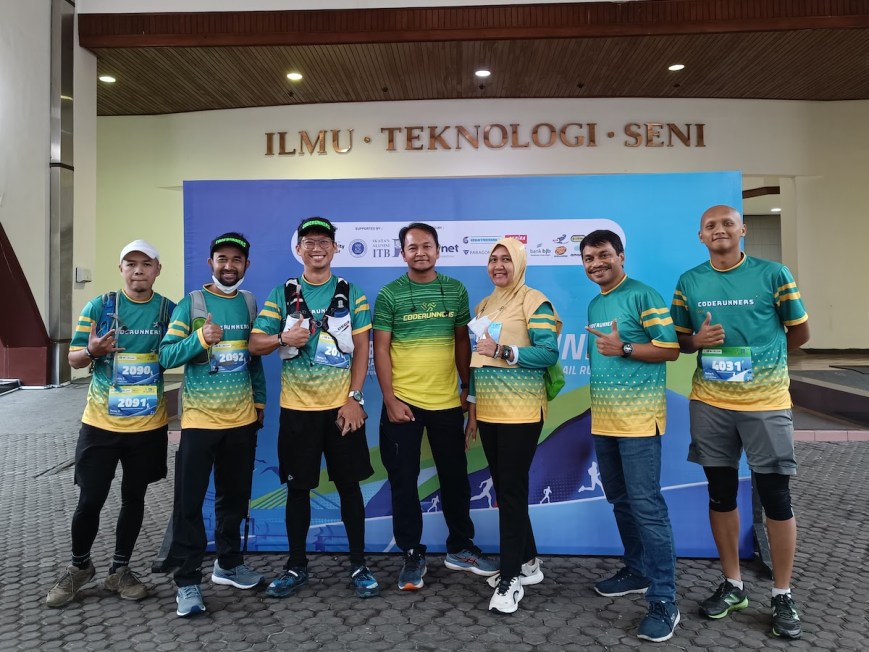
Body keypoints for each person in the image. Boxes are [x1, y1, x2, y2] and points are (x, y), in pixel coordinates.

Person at [670, 205, 809, 640]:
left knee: (776, 496)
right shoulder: (689, 281)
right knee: (720, 493)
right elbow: (680, 340)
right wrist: (698, 340)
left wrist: (765, 359)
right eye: (710, 225)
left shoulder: (773, 274)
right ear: (701, 236)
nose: (719, 230)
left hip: (765, 401)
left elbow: (800, 332)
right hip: (710, 402)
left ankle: (782, 594)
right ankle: (733, 585)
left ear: (742, 229)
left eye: (727, 223)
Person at [248, 217, 379, 599]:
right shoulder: (283, 293)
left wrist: (354, 399)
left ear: (335, 248)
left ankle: (359, 564)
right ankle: (296, 565)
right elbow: (255, 344)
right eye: (309, 241)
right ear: (299, 249)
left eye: (324, 241)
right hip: (297, 411)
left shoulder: (352, 294)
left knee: (349, 487)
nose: (316, 248)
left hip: (342, 410)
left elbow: (363, 350)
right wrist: (282, 337)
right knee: (298, 489)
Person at [46, 240, 174, 608]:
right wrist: (92, 351)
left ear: (157, 270)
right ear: (121, 269)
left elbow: (178, 352)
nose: (138, 271)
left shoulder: (168, 310)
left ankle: (120, 570)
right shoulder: (100, 307)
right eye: (131, 264)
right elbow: (73, 359)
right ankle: (79, 566)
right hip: (101, 424)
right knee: (90, 499)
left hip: (147, 426)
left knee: (134, 498)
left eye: (146, 264)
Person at [373, 222, 497, 591]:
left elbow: (462, 343)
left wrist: (467, 388)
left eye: (427, 246)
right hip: (403, 403)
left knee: (455, 478)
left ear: (438, 250)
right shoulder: (389, 294)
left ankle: (460, 547)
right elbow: (381, 349)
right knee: (403, 482)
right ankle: (412, 553)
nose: (420, 252)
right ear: (403, 253)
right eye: (412, 247)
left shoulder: (455, 290)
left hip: (446, 402)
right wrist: (390, 399)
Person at [580, 229, 681, 642]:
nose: (597, 263)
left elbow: (671, 349)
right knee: (620, 500)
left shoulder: (643, 295)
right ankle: (638, 571)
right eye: (589, 258)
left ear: (621, 256)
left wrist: (624, 348)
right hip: (604, 421)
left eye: (604, 255)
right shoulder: (596, 302)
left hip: (639, 421)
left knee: (647, 506)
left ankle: (664, 599)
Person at [158, 232, 266, 617]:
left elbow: (254, 360)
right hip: (200, 422)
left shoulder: (249, 303)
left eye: (236, 260)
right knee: (189, 503)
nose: (229, 266)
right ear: (210, 263)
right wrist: (200, 339)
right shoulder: (191, 304)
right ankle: (187, 581)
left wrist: (259, 402)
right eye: (222, 259)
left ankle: (229, 564)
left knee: (234, 498)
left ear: (246, 265)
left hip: (241, 421)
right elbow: (166, 356)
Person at [464, 237, 560, 614]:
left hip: (521, 411)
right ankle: (528, 562)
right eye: (494, 259)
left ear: (519, 263)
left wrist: (504, 351)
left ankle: (510, 578)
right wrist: (473, 409)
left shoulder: (535, 301)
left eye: (506, 259)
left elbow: (548, 352)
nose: (499, 265)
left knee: (512, 491)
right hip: (488, 411)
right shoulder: (484, 305)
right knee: (506, 489)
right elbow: (478, 359)